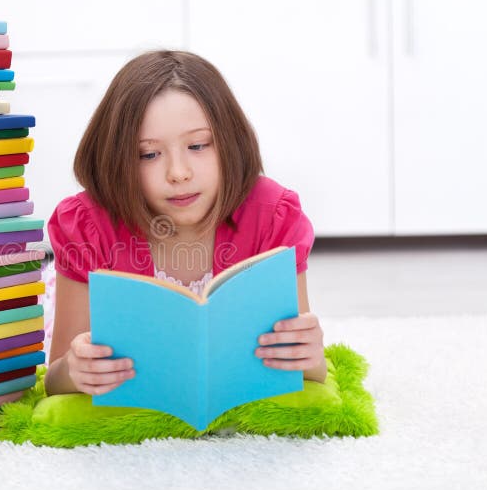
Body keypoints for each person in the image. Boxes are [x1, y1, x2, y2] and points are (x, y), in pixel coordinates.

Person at [45, 50, 326, 397]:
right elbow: (54, 378)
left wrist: (310, 355)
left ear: (229, 141)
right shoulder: (86, 226)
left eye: (198, 145)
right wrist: (76, 371)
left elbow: (310, 366)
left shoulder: (274, 218)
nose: (178, 173)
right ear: (116, 158)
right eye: (148, 154)